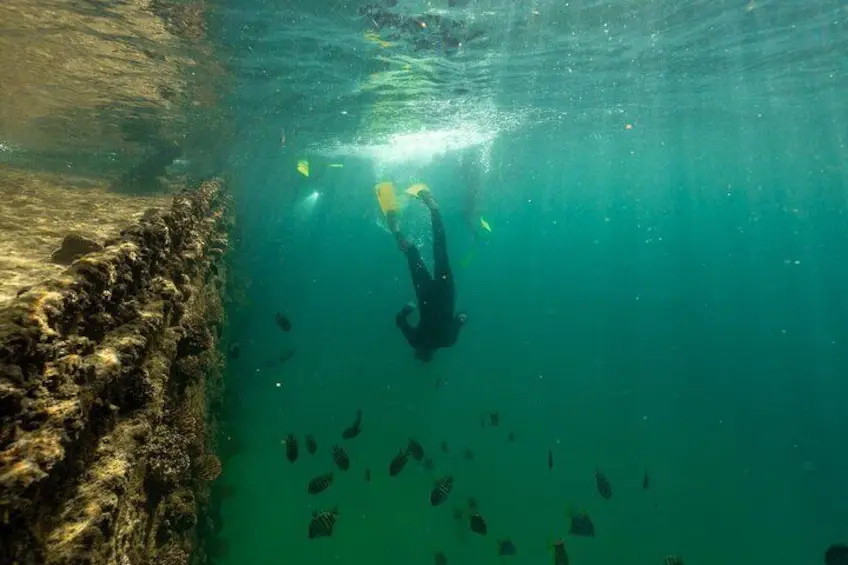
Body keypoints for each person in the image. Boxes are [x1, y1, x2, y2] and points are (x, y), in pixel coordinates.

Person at [375, 182, 467, 361]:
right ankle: (397, 232)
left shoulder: (449, 341)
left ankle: (433, 210)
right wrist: (408, 309)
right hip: (426, 297)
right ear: (420, 353)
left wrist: (461, 317)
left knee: (440, 249)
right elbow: (399, 321)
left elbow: (462, 318)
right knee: (413, 256)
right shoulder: (416, 341)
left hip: (446, 292)